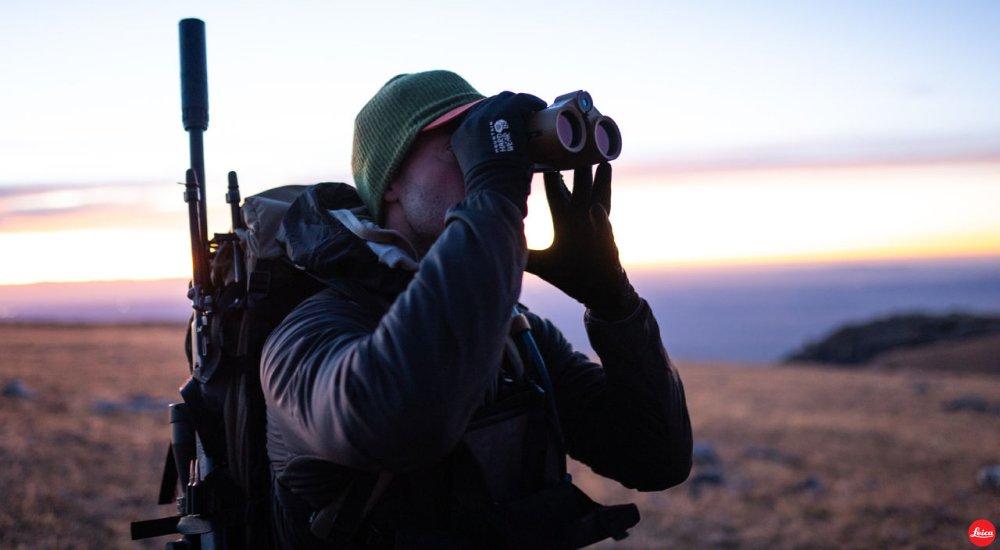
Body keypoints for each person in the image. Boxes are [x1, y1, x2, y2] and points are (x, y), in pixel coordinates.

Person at [260, 70, 692, 548]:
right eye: (461, 146)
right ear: (390, 183)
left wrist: (612, 301)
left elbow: (655, 457)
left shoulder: (516, 337)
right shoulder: (308, 333)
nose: (484, 165)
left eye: (486, 149)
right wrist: (493, 196)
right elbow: (397, 419)